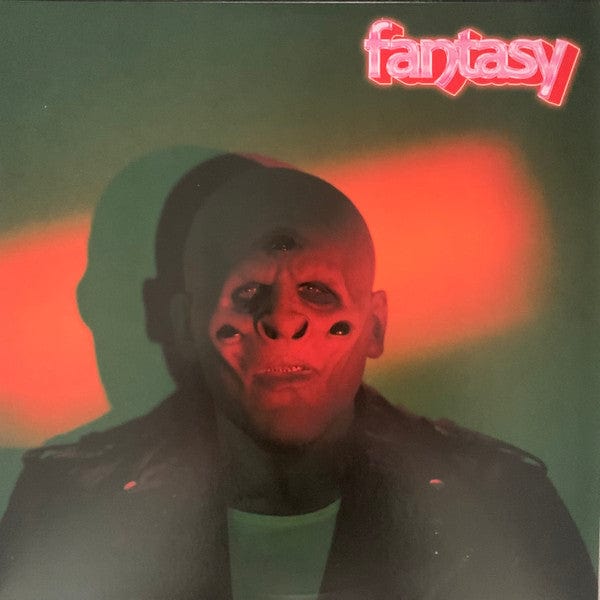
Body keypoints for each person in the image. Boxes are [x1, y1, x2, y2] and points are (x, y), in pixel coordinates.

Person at [0, 162, 595, 600]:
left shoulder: (503, 503)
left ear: (375, 326)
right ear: (184, 325)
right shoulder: (67, 503)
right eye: (248, 292)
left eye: (317, 291)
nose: (283, 321)